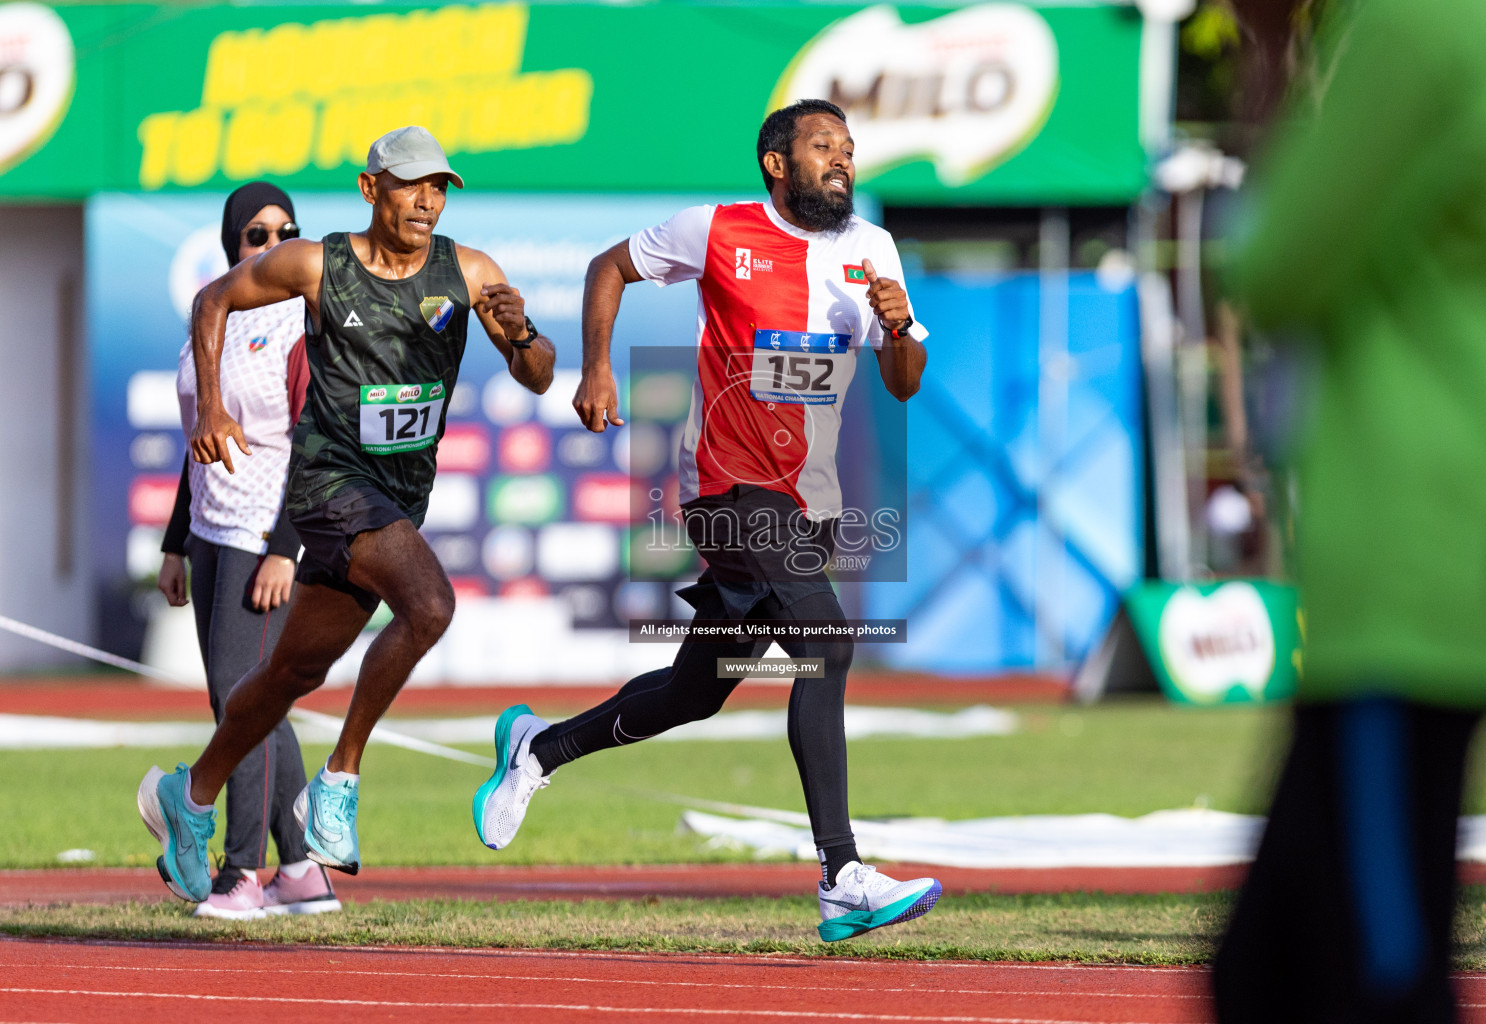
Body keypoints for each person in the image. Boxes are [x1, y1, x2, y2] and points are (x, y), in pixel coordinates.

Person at [469, 99, 940, 942]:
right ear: (776, 161)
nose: (843, 160)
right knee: (826, 647)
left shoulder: (872, 252)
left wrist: (899, 325)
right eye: (823, 146)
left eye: (850, 149)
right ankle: (841, 874)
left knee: (695, 693)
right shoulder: (715, 230)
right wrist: (598, 370)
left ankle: (537, 751)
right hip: (726, 489)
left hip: (810, 507)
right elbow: (607, 267)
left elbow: (904, 380)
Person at [1211, 1, 1486, 1020]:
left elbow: (1277, 266)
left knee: (1377, 969)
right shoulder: (1481, 27)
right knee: (1269, 970)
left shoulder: (1422, 26)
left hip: (1411, 545)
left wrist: (1267, 60)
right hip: (1455, 523)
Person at [137, 126, 555, 904]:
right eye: (409, 185)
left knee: (291, 671)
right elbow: (212, 299)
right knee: (430, 605)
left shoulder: (468, 272)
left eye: (438, 187)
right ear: (371, 189)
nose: (426, 200)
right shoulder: (316, 265)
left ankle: (188, 796)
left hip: (397, 499)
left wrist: (523, 331)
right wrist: (212, 407)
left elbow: (536, 377)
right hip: (328, 484)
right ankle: (339, 780)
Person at [155, 182, 340, 919]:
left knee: (244, 702)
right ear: (233, 243)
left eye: (287, 231)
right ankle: (302, 872)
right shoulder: (210, 320)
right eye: (257, 235)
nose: (274, 245)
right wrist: (175, 543)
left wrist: (285, 551)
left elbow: (319, 442)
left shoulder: (305, 324)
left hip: (265, 530)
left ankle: (243, 876)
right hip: (209, 531)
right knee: (240, 703)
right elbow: (200, 440)